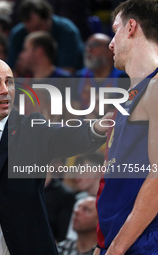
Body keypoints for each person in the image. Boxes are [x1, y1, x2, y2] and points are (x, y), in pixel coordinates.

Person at [0, 57, 111, 255]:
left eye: (9, 82)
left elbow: (63, 136)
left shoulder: (31, 130)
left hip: (19, 247)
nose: (5, 89)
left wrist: (97, 128)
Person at [95, 0, 158, 254]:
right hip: (120, 242)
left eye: (115, 30)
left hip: (144, 243)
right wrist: (101, 246)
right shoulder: (129, 99)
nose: (111, 43)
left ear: (131, 27)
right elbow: (111, 187)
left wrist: (116, 249)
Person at [7, 0, 84, 73]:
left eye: (38, 27)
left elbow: (68, 71)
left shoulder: (67, 32)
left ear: (49, 18)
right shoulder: (17, 34)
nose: (34, 34)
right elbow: (12, 70)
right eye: (29, 30)